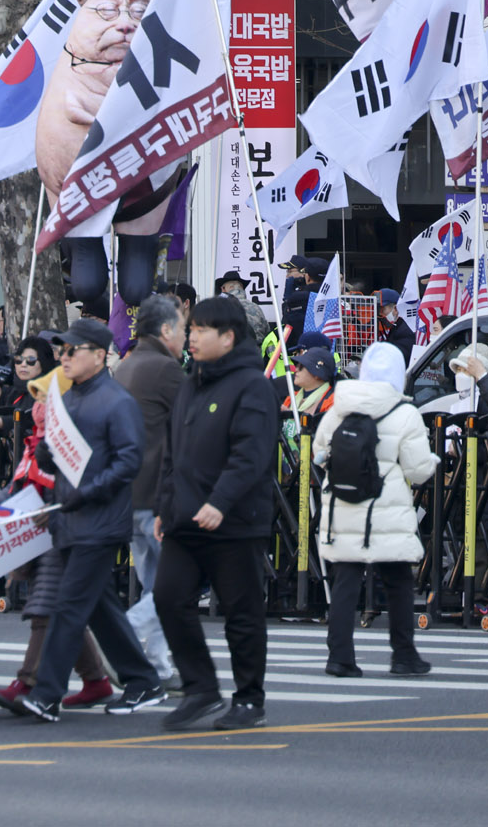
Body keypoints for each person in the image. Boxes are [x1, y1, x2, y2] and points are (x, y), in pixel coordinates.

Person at [11, 319, 164, 721]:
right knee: (100, 608)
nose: (63, 357)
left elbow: (129, 461)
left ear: (98, 355)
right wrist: (47, 456)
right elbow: (65, 450)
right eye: (62, 351)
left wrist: (88, 492)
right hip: (71, 518)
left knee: (69, 607)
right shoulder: (70, 396)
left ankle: (46, 694)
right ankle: (143, 681)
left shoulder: (117, 401)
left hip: (98, 522)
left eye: (71, 351)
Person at [153, 296, 279, 732]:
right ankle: (200, 687)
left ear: (227, 337)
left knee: (241, 612)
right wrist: (163, 506)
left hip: (235, 521)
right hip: (185, 518)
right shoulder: (192, 381)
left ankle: (249, 699)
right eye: (191, 329)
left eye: (200, 330)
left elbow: (252, 455)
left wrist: (220, 502)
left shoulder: (252, 386)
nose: (191, 336)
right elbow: (174, 451)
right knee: (168, 597)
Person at [313, 343, 438, 679]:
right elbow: (418, 470)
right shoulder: (404, 412)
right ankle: (403, 655)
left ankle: (339, 657)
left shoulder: (340, 406)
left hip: (343, 503)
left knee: (345, 579)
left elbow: (318, 451)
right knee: (397, 581)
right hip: (386, 509)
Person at [112, 293, 185, 684]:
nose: (187, 337)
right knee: (172, 586)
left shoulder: (128, 365)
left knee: (155, 584)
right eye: (184, 328)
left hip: (131, 494)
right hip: (158, 495)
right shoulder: (165, 369)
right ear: (166, 329)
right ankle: (120, 637)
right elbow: (189, 428)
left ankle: (156, 665)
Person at [214, 271, 271, 346]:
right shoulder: (256, 308)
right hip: (257, 354)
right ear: (242, 288)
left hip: (234, 354)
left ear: (223, 289)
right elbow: (267, 333)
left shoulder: (221, 308)